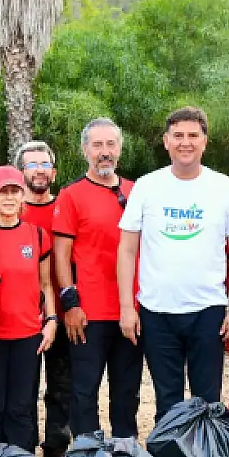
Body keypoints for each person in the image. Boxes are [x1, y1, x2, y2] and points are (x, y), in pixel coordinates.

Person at [117, 111, 229, 425]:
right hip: (156, 310)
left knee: (208, 400)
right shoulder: (148, 186)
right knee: (168, 401)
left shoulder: (224, 186)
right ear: (166, 142)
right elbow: (126, 249)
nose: (185, 142)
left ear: (204, 142)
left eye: (193, 136)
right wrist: (127, 306)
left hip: (208, 309)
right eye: (178, 136)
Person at [54, 117, 141, 439]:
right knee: (84, 392)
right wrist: (70, 303)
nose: (104, 152)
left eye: (110, 144)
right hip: (88, 313)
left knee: (127, 392)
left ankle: (126, 456)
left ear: (119, 148)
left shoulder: (136, 191)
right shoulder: (71, 195)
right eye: (97, 145)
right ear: (85, 149)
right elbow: (61, 254)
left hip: (131, 311)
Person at [0, 166, 57, 450]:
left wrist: (51, 320)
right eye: (3, 192)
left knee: (22, 404)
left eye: (15, 191)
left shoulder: (36, 235)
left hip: (28, 334)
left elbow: (46, 284)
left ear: (23, 195)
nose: (9, 197)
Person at [17, 137, 72, 457]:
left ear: (54, 171)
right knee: (23, 389)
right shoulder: (8, 208)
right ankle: (20, 452)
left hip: (63, 314)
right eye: (32, 164)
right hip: (21, 317)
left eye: (45, 164)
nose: (39, 171)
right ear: (21, 171)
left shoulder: (65, 206)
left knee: (61, 387)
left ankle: (55, 450)